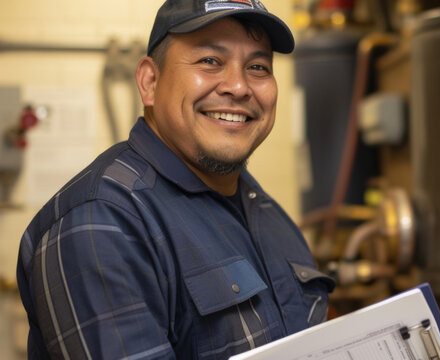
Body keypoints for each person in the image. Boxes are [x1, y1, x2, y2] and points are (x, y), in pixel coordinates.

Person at [16, 0, 335, 358]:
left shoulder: (262, 208)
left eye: (258, 67)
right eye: (210, 61)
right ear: (150, 82)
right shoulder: (100, 224)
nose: (239, 86)